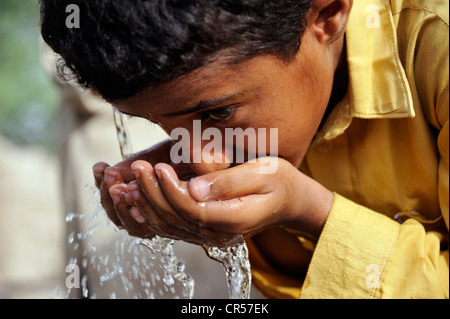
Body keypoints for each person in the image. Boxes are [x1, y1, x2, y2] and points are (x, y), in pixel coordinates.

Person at [39, 0, 449, 299]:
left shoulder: (438, 44)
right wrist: (266, 223)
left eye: (218, 114)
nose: (200, 161)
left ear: (326, 14)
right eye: (162, 127)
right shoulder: (243, 89)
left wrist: (309, 213)